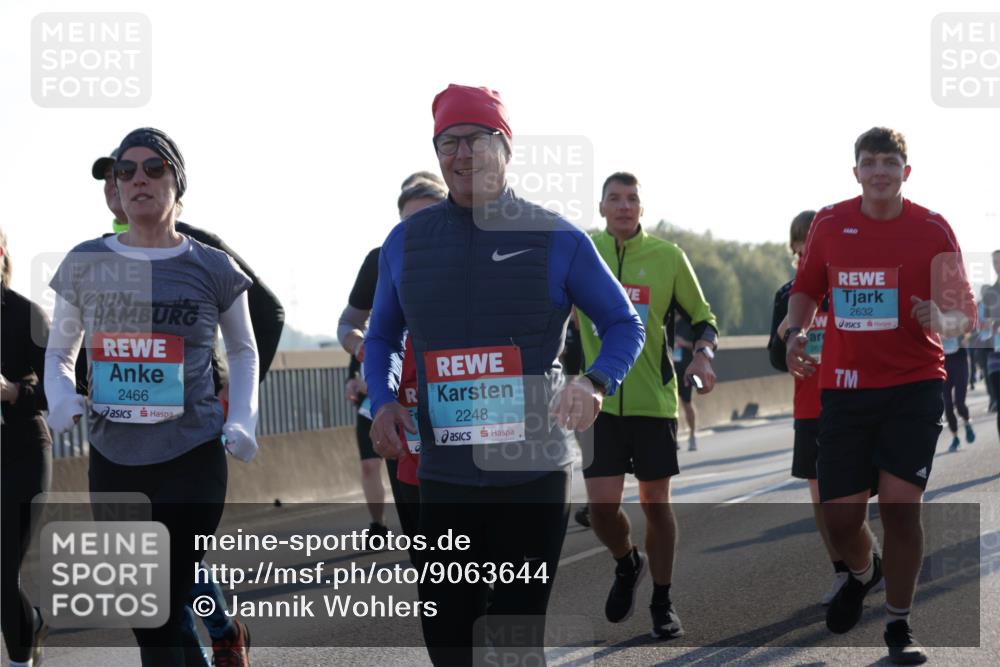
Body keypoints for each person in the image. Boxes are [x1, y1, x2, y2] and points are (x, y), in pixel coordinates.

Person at [364, 85, 644, 666]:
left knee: (516, 640)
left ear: (505, 146)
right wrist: (385, 398)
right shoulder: (404, 243)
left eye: (474, 139)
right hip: (443, 473)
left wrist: (593, 382)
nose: (461, 154)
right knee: (449, 639)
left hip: (531, 471)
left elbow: (623, 322)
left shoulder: (556, 237)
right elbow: (384, 335)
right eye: (447, 143)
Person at [45, 128, 259, 666]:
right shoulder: (85, 261)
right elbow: (58, 353)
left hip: (193, 454)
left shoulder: (212, 266)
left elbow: (244, 350)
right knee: (149, 617)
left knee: (165, 593)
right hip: (115, 460)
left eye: (153, 168)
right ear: (115, 186)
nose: (138, 178)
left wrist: (244, 419)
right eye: (126, 170)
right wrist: (63, 395)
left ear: (176, 181)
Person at [786, 127, 976, 665]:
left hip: (914, 384)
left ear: (906, 173)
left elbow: (967, 316)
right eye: (870, 163)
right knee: (842, 519)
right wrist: (795, 330)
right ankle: (863, 574)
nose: (879, 172)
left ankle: (899, 624)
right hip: (845, 389)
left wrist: (942, 317)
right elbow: (807, 288)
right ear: (856, 173)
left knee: (899, 507)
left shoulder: (933, 229)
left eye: (890, 162)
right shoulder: (828, 223)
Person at [91, 146, 284, 665]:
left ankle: (221, 632)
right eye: (115, 176)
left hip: (190, 434)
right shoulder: (102, 257)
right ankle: (223, 629)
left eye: (145, 170)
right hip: (124, 446)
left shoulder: (200, 249)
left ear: (172, 181)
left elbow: (269, 316)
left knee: (171, 584)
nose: (123, 184)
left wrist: (233, 394)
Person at [577, 172, 718, 640]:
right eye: (614, 198)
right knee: (600, 509)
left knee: (655, 503)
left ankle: (662, 600)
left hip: (654, 403)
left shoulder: (668, 257)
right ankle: (626, 561)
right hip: (598, 403)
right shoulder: (581, 252)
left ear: (642, 207)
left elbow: (704, 318)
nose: (623, 206)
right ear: (601, 208)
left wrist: (702, 354)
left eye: (632, 198)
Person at [768, 210, 880, 606]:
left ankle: (865, 560)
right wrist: (787, 333)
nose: (806, 248)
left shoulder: (849, 285)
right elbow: (775, 360)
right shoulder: (787, 295)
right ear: (794, 247)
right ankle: (842, 571)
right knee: (822, 501)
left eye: (813, 240)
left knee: (851, 498)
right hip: (810, 408)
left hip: (852, 403)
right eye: (800, 241)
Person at [337, 175, 447, 543]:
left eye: (431, 216)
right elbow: (350, 324)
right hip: (403, 404)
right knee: (424, 537)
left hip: (465, 404)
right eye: (410, 221)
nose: (420, 229)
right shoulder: (384, 258)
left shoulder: (477, 257)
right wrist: (367, 356)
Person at [1, 227, 52, 667]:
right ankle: (30, 623)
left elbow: (60, 385)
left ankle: (20, 658)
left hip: (23, 453)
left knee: (1, 571)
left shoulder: (25, 313)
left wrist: (14, 391)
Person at [941, 333, 975, 452]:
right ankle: (955, 438)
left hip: (960, 361)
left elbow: (969, 332)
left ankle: (967, 422)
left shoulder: (957, 317)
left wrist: (964, 337)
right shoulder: (934, 318)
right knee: (948, 405)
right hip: (943, 363)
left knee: (959, 402)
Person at [672, 314, 699, 451]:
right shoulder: (666, 322)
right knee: (671, 405)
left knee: (686, 403)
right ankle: (673, 438)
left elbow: (697, 345)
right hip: (670, 370)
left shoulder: (687, 323)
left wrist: (683, 343)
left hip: (685, 370)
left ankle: (692, 434)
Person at [982, 251, 1000, 436]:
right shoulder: (990, 293)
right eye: (994, 262)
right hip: (995, 356)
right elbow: (984, 326)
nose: (997, 265)